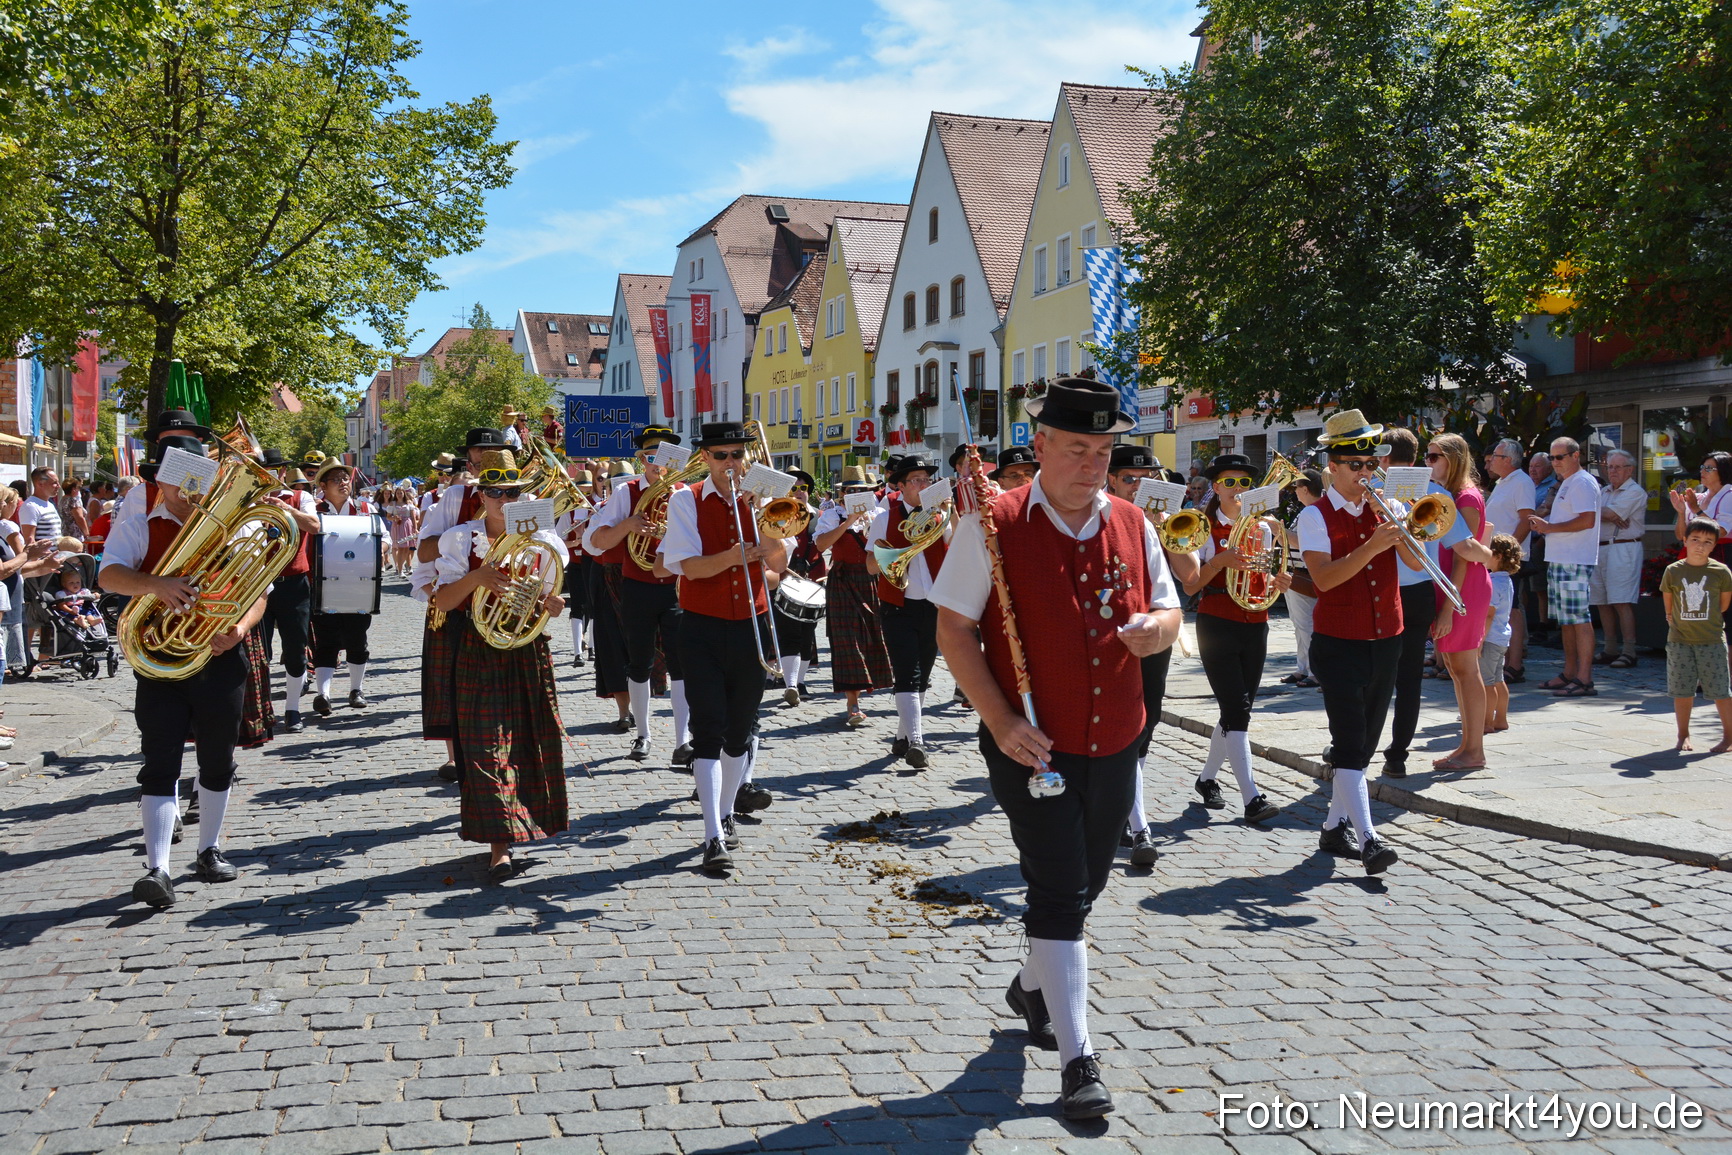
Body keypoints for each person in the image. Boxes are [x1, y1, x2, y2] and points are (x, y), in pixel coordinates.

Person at [931, 377, 1182, 1120]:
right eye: (1077, 447)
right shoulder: (993, 523)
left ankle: (1035, 984)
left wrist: (1158, 631)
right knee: (1059, 890)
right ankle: (1079, 1060)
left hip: (1117, 741)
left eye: (1103, 449)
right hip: (1031, 747)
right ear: (1040, 446)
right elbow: (954, 630)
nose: (1093, 462)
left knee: (1090, 882)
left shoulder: (1135, 523)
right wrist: (1001, 720)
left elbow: (1171, 607)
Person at [100, 434, 261, 908]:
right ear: (161, 480)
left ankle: (208, 849)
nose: (186, 490)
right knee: (160, 762)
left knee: (217, 759)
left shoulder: (233, 527)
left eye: (196, 480)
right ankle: (158, 867)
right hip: (160, 658)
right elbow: (108, 575)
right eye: (178, 480)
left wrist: (239, 627)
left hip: (218, 657)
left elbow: (260, 591)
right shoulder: (140, 524)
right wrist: (157, 584)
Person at [431, 448, 569, 879]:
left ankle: (526, 826)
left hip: (526, 650)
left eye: (512, 492)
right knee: (485, 750)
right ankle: (499, 847)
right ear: (481, 494)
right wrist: (476, 577)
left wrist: (553, 602)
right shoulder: (460, 538)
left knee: (530, 742)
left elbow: (556, 602)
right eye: (494, 492)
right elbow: (441, 601)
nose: (503, 500)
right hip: (478, 648)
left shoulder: (543, 537)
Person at [659, 421, 790, 875]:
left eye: (738, 455)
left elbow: (779, 560)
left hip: (751, 625)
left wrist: (762, 518)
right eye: (721, 456)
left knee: (741, 731)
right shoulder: (685, 500)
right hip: (702, 627)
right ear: (706, 459)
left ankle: (729, 810)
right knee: (710, 731)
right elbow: (688, 568)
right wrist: (734, 557)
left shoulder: (763, 499)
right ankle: (713, 832)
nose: (730, 464)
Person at [1300, 410, 1423, 876]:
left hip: (1387, 636)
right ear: (1333, 466)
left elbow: (1415, 562)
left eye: (1372, 465)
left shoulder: (1386, 507)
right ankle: (1369, 838)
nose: (1367, 474)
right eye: (1357, 466)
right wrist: (1371, 545)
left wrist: (1399, 527)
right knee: (1349, 742)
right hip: (1338, 642)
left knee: (1365, 744)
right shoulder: (1314, 516)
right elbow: (1325, 579)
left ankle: (1334, 828)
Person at [1177, 452, 1284, 823]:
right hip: (1217, 622)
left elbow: (1267, 576)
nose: (1238, 490)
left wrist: (1278, 582)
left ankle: (1207, 780)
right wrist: (1220, 561)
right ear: (1217, 487)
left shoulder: (1263, 527)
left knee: (1236, 711)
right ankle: (1252, 798)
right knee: (1237, 712)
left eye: (1244, 484)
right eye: (1230, 483)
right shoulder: (1202, 527)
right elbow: (1192, 584)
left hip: (1256, 621)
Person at [1104, 443, 1194, 866]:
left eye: (1148, 481)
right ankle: (1134, 821)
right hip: (1108, 637)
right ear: (1111, 481)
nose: (1140, 488)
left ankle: (1124, 807)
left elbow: (1189, 578)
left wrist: (1165, 531)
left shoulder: (1158, 522)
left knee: (1147, 719)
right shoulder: (1099, 519)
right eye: (1130, 480)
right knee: (1118, 724)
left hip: (1153, 633)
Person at [584, 426, 690, 763]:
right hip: (638, 587)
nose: (658, 464)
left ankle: (682, 739)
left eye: (667, 457)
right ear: (640, 459)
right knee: (638, 664)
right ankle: (643, 735)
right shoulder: (627, 492)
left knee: (683, 665)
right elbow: (593, 541)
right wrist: (627, 526)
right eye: (650, 456)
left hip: (677, 589)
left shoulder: (686, 491)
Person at [867, 454, 950, 769]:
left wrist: (947, 516)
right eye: (916, 480)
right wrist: (895, 550)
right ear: (900, 486)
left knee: (923, 676)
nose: (923, 485)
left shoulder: (940, 516)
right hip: (897, 605)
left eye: (926, 480)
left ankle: (903, 737)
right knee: (907, 673)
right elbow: (871, 566)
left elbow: (955, 551)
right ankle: (917, 741)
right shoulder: (884, 518)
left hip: (934, 605)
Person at [1424, 433, 1494, 771]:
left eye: (1435, 456)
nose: (1429, 462)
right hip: (1450, 585)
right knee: (1455, 668)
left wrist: (1449, 608)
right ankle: (1466, 745)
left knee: (1466, 669)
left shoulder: (1466, 497)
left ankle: (1474, 750)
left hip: (1462, 589)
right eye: (1427, 455)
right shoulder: (1448, 494)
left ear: (1453, 459)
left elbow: (1465, 555)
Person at [813, 467, 893, 728]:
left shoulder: (880, 514)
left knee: (871, 635)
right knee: (847, 639)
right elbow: (821, 545)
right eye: (851, 491)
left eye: (862, 491)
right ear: (843, 494)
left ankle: (874, 688)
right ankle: (853, 703)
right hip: (842, 581)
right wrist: (848, 522)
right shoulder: (832, 515)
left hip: (871, 579)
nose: (856, 494)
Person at [255, 448, 322, 734]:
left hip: (293, 585)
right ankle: (263, 709)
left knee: (295, 650)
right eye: (266, 470)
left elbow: (315, 526)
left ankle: (292, 708)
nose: (273, 474)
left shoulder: (300, 497)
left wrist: (287, 510)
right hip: (256, 586)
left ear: (283, 472)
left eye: (277, 469)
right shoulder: (248, 500)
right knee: (260, 653)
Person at [1529, 438, 1601, 697]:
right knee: (1566, 621)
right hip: (1561, 558)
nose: (1556, 462)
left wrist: (1549, 528)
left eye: (1561, 457)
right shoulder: (1568, 483)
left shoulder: (1582, 482)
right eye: (1553, 457)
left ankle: (1584, 678)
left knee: (1579, 620)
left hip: (1574, 559)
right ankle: (1570, 673)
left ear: (1576, 455)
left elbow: (1587, 520)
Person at [309, 460, 377, 715]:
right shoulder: (314, 510)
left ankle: (356, 690)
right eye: (336, 479)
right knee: (326, 641)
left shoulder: (364, 508)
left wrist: (378, 550)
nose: (343, 483)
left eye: (345, 478)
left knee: (357, 640)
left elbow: (385, 539)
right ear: (323, 486)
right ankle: (323, 694)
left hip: (358, 584)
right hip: (323, 585)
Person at [1662, 518, 1732, 752]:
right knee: (1682, 690)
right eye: (1695, 540)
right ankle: (1683, 735)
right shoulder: (1673, 571)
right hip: (1680, 641)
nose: (1700, 546)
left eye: (1707, 541)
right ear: (1685, 540)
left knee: (1721, 690)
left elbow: (1722, 606)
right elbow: (1669, 606)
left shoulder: (1721, 572)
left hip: (1711, 640)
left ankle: (1728, 737)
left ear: (1714, 545)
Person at [767, 468, 826, 705]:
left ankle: (799, 681)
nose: (799, 492)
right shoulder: (778, 515)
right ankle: (790, 683)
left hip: (811, 581)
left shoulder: (819, 516)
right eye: (794, 488)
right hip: (783, 580)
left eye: (803, 488)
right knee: (785, 632)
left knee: (807, 634)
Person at [1483, 439, 1537, 681]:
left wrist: (1509, 553)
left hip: (1507, 558)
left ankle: (1514, 664)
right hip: (1496, 558)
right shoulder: (1503, 481)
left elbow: (1527, 519)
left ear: (1507, 460)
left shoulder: (1522, 482)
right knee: (1506, 608)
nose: (1491, 459)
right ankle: (1504, 661)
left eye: (1495, 455)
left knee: (1512, 610)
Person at [1591, 450, 1648, 668]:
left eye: (1617, 467)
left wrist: (1604, 513)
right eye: (1610, 467)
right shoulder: (1604, 491)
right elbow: (1602, 515)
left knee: (1621, 600)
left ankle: (1629, 651)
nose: (1612, 471)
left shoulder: (1635, 491)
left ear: (1630, 469)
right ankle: (1610, 648)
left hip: (1623, 548)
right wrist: (1605, 514)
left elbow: (1611, 514)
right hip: (1601, 547)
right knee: (1602, 601)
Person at [1281, 472, 1324, 689]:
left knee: (1306, 624)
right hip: (1297, 574)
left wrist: (1279, 530)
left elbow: (1301, 543)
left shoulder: (1312, 511)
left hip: (1304, 575)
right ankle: (1303, 668)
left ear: (1305, 489)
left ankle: (1314, 671)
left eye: (1296, 487)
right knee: (1300, 625)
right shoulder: (1307, 511)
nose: (1294, 491)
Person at [1482, 534, 1521, 735]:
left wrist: (1480, 640)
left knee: (1486, 682)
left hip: (1489, 638)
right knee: (1498, 680)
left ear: (1496, 555)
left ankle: (1487, 721)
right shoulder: (1506, 580)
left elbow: (1488, 614)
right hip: (1501, 638)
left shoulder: (1493, 582)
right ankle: (1501, 719)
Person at [1528, 450, 1559, 630]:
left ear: (1548, 469)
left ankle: (1548, 624)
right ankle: (1540, 623)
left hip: (1543, 543)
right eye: (1531, 466)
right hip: (1528, 542)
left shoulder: (1554, 487)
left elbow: (1549, 513)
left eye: (1538, 466)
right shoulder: (1528, 485)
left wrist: (1541, 542)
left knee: (1546, 586)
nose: (1533, 470)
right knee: (1535, 586)